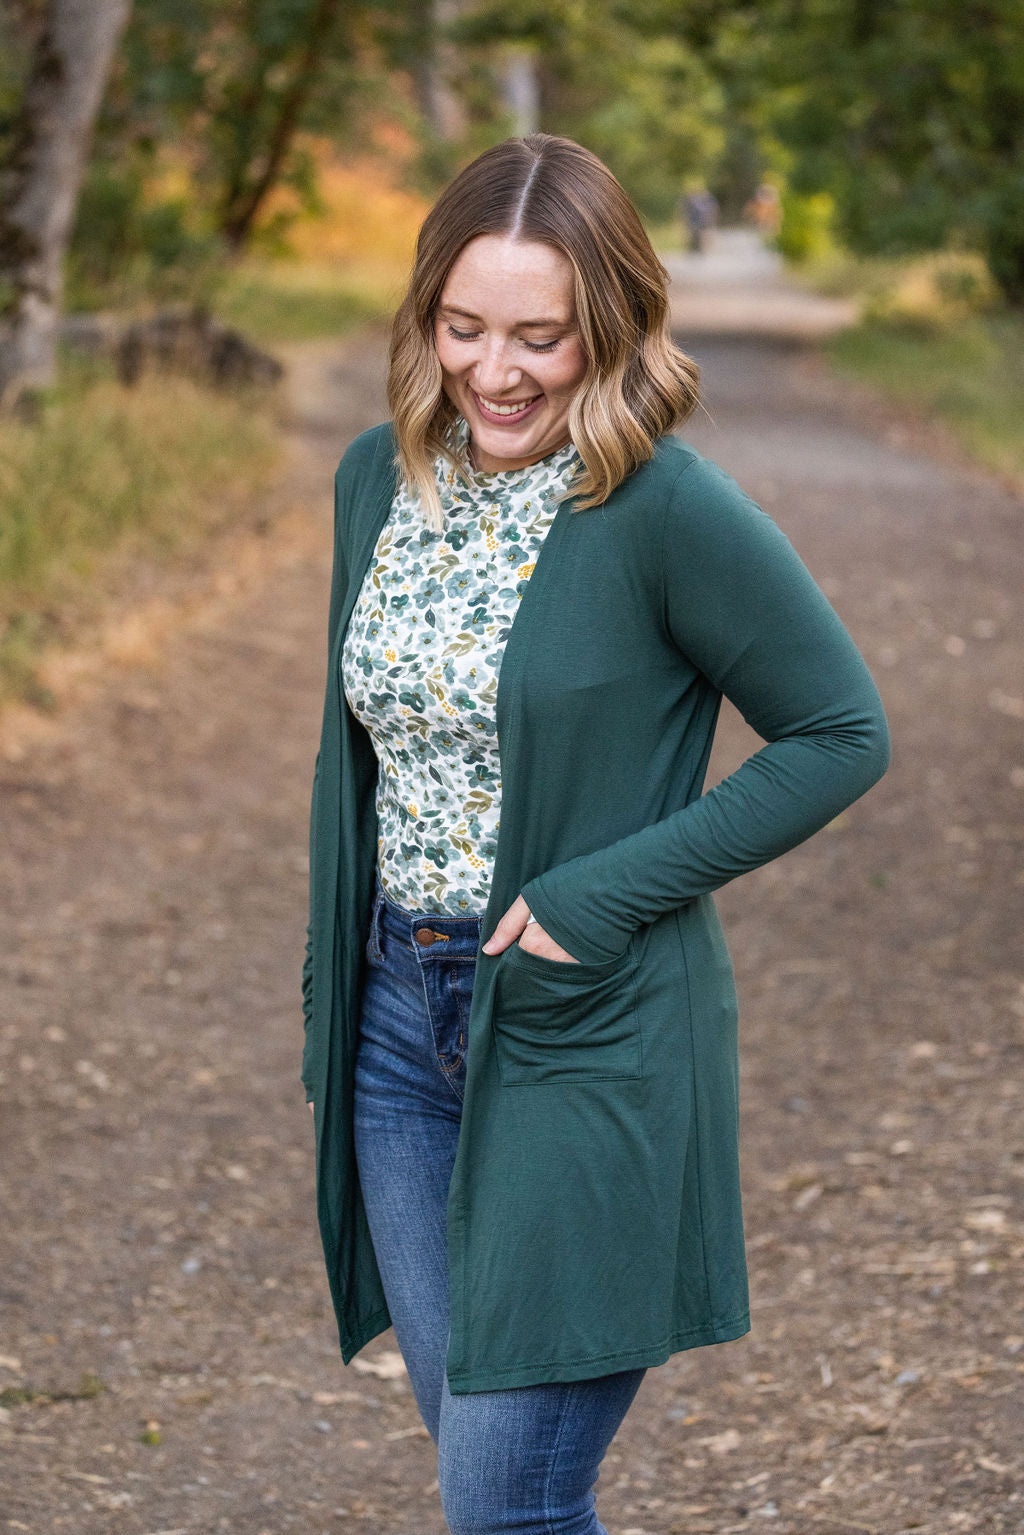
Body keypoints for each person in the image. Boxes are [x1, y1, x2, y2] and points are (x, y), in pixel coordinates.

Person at [301, 133, 890, 1534]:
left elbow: (840, 732)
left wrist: (610, 888)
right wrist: (338, 988)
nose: (494, 372)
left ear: (611, 327)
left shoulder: (666, 511)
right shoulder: (378, 482)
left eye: (540, 338)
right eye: (462, 327)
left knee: (507, 1500)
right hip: (400, 1033)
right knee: (494, 1491)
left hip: (582, 1032)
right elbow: (362, 760)